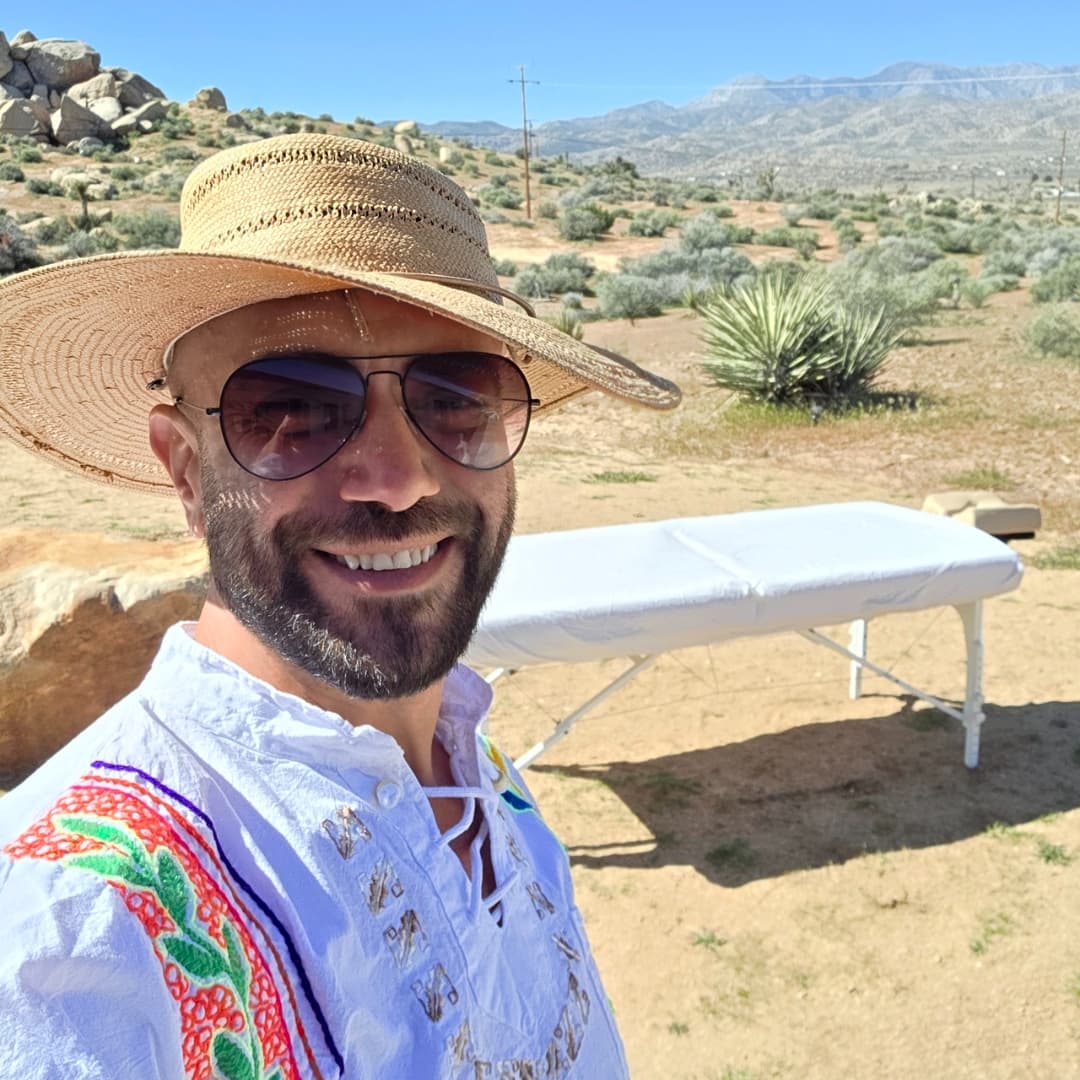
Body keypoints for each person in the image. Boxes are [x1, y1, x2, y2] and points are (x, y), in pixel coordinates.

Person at [0, 133, 679, 1078]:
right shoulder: (69, 938)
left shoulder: (473, 765)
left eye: (459, 399)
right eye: (290, 410)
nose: (400, 479)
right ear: (185, 468)